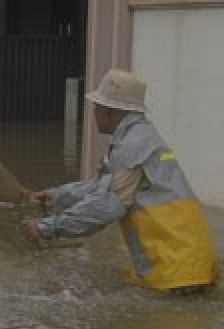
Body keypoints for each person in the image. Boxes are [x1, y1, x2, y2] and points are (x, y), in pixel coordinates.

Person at [23, 68, 217, 293]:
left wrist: (48, 228)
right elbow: (101, 186)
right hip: (190, 262)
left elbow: (105, 206)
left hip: (177, 272)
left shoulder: (132, 146)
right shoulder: (140, 138)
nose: (94, 112)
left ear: (110, 111)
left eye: (97, 107)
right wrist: (55, 197)